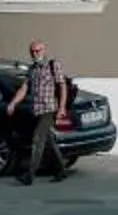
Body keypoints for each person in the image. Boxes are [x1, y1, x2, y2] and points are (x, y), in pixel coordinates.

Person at [8, 40, 71, 185]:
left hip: (49, 110)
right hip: (36, 110)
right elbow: (24, 88)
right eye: (32, 51)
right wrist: (13, 103)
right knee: (48, 142)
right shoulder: (32, 69)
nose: (35, 54)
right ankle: (62, 170)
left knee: (37, 140)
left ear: (44, 50)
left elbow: (62, 86)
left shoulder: (53, 65)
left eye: (38, 50)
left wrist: (62, 107)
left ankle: (29, 175)